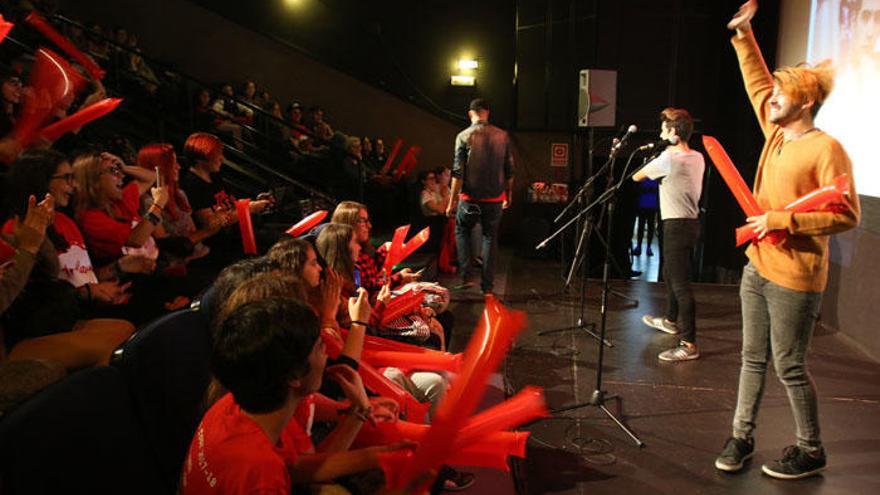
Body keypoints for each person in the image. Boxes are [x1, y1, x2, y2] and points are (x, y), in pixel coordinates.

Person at [714, 0, 860, 480]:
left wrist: (782, 221)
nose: (771, 97)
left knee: (790, 366)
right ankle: (741, 436)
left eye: (782, 92)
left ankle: (811, 448)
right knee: (751, 359)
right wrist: (743, 36)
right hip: (757, 268)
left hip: (796, 277)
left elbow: (847, 214)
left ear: (806, 101)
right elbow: (756, 81)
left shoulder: (826, 148)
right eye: (773, 91)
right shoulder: (776, 135)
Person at [180, 297, 404, 494]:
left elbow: (294, 467)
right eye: (319, 346)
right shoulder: (260, 476)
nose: (327, 350)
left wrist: (378, 455)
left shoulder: (239, 405)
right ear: (294, 376)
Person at [632, 108, 705, 362]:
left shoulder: (668, 158)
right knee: (671, 274)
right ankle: (671, 320)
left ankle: (689, 344)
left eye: (664, 130)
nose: (661, 133)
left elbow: (637, 176)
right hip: (691, 223)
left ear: (673, 132)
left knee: (680, 285)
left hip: (676, 225)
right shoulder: (697, 157)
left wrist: (660, 154)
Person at [445, 98, 514, 296]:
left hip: (470, 198)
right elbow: (510, 170)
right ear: (487, 113)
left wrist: (452, 202)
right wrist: (508, 195)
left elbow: (458, 173)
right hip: (494, 199)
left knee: (462, 230)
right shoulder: (503, 136)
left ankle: (467, 276)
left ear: (470, 113)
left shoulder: (463, 136)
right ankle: (488, 287)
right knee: (490, 238)